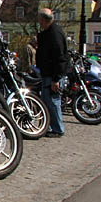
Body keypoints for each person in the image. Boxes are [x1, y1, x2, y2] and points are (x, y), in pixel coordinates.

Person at [36, 8, 68, 138]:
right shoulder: (51, 32)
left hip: (52, 74)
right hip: (47, 73)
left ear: (43, 20)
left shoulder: (54, 34)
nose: (38, 22)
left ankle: (57, 129)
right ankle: (49, 127)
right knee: (47, 102)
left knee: (53, 102)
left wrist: (56, 78)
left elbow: (60, 57)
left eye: (39, 20)